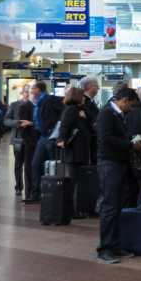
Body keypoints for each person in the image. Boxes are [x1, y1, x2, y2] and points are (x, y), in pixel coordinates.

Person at [95, 87, 141, 264]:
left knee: (116, 207)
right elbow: (105, 139)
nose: (131, 108)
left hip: (118, 164)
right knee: (110, 207)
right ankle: (104, 249)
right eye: (130, 105)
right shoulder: (107, 114)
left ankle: (114, 245)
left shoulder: (118, 115)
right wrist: (130, 145)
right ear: (124, 100)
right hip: (109, 164)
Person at [55, 86, 92, 217]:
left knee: (74, 181)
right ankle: (73, 210)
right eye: (82, 96)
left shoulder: (75, 110)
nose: (83, 98)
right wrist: (62, 140)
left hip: (74, 151)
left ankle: (73, 209)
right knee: (74, 182)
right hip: (74, 152)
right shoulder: (72, 110)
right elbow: (64, 127)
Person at [27, 81, 64, 204]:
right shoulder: (39, 101)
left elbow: (54, 116)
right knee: (37, 164)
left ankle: (53, 193)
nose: (31, 91)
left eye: (33, 88)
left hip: (49, 136)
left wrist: (51, 130)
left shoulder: (48, 100)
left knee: (52, 165)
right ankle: (36, 193)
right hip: (43, 136)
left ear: (39, 89)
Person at [5, 85, 32, 197]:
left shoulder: (33, 106)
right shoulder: (14, 105)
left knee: (29, 165)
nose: (26, 93)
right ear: (22, 93)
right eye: (25, 91)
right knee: (18, 164)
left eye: (28, 91)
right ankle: (18, 187)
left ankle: (29, 188)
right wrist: (17, 123)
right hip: (18, 138)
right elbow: (6, 120)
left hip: (30, 139)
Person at [80, 77, 101, 166]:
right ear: (89, 86)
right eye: (96, 86)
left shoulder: (91, 102)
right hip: (87, 142)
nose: (98, 88)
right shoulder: (83, 102)